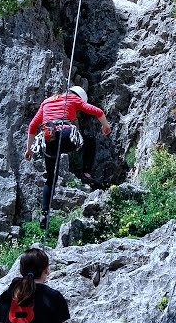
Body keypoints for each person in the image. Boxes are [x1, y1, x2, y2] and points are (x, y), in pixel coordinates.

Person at [24, 85, 111, 224]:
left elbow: (32, 126)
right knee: (89, 142)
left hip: (47, 140)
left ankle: (44, 214)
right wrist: (106, 126)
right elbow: (97, 111)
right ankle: (86, 172)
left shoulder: (46, 102)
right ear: (79, 97)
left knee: (51, 179)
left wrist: (29, 149)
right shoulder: (73, 98)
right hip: (65, 135)